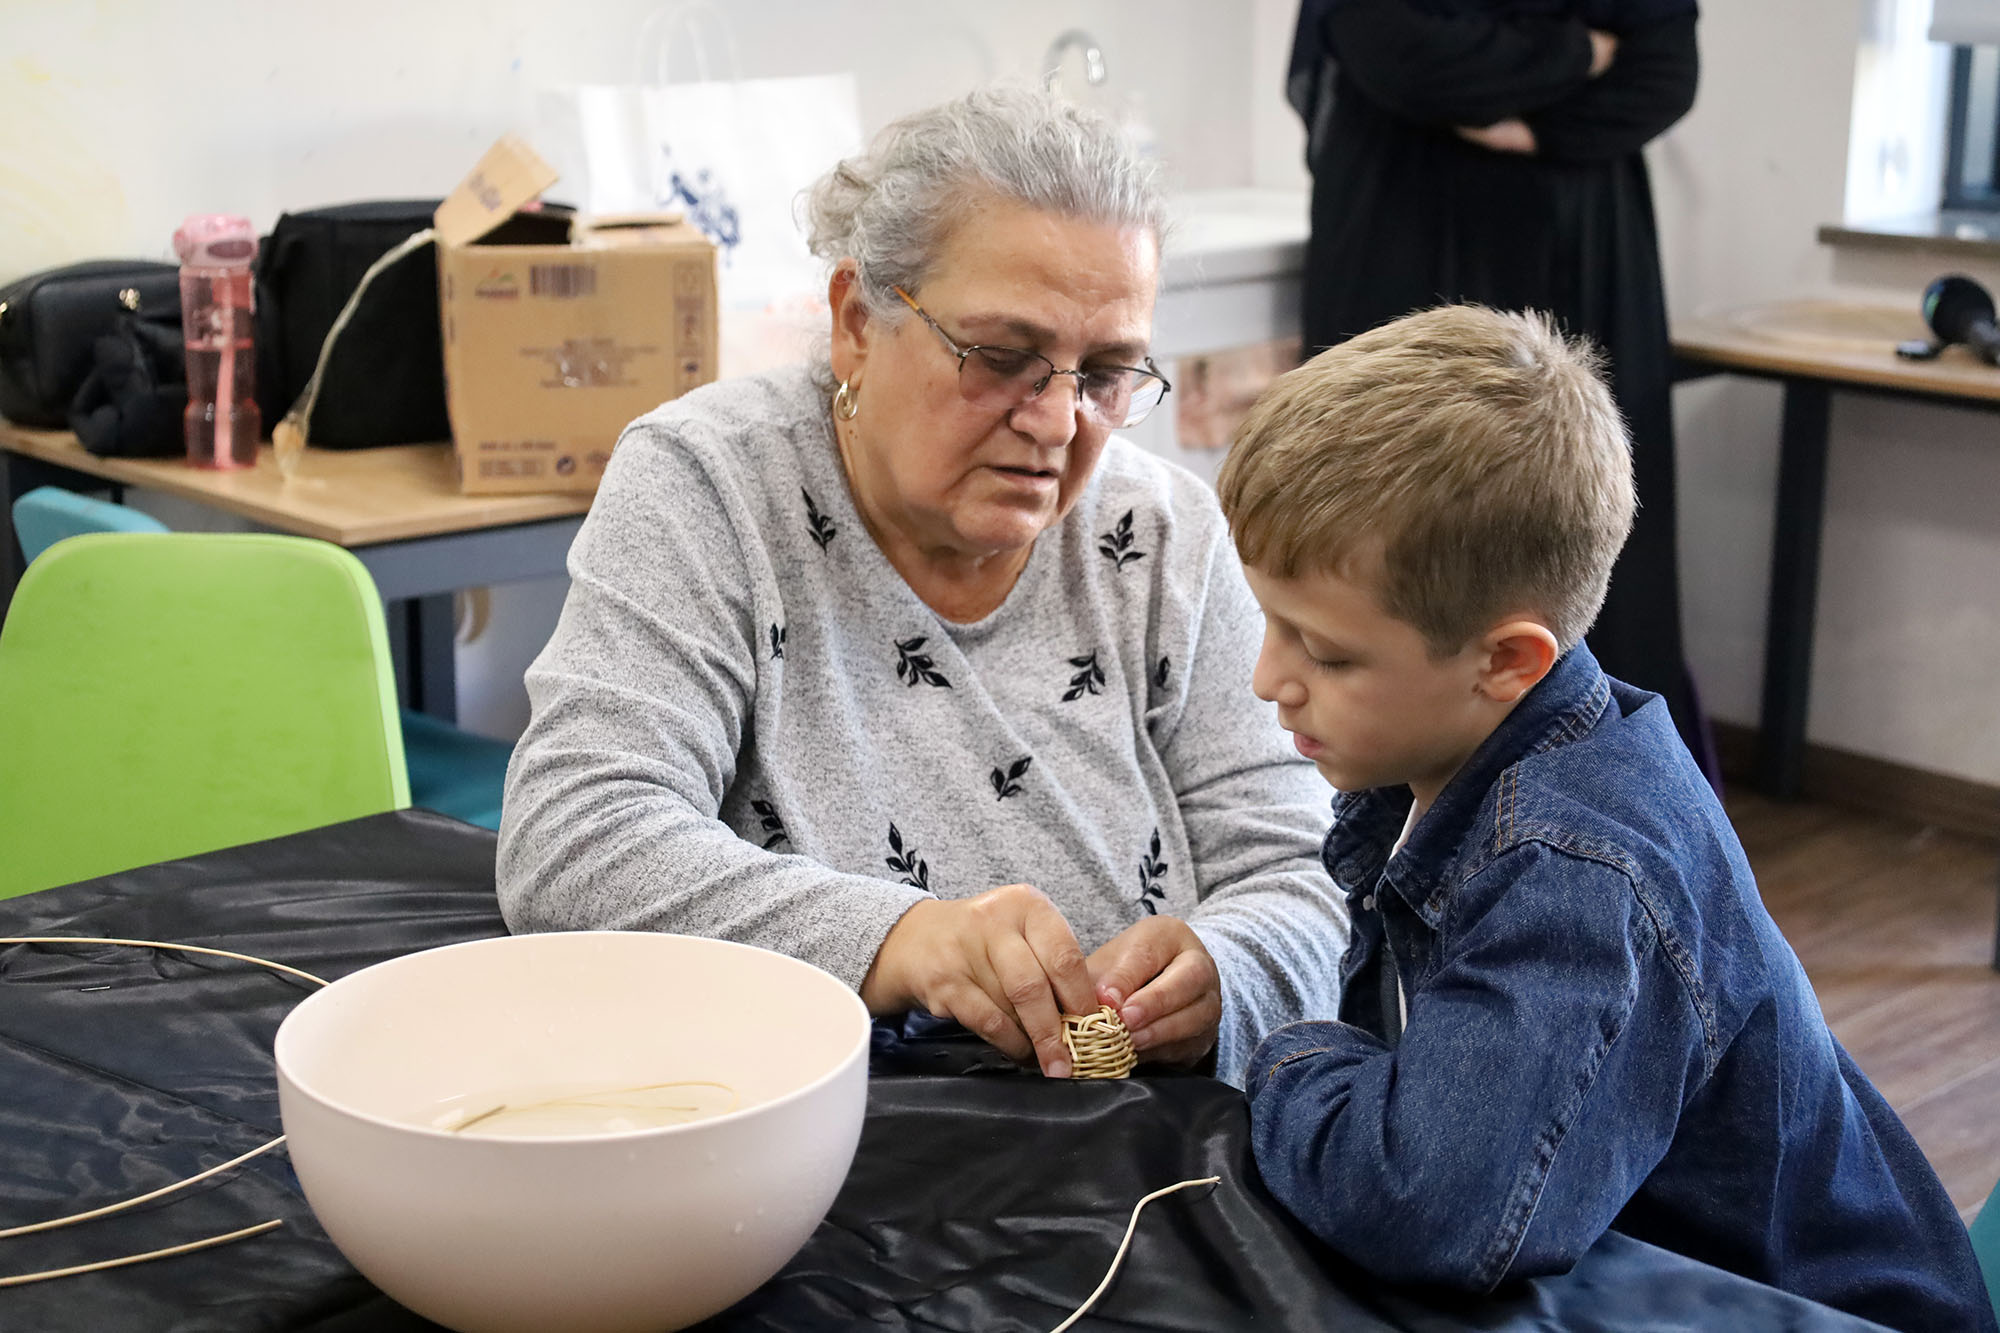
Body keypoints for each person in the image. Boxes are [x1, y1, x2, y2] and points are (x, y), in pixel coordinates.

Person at [496, 86, 1348, 1087]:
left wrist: (1228, 970)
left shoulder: (1159, 535)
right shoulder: (713, 487)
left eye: (1106, 371)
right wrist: (904, 940)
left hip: (1131, 1142)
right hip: (821, 1124)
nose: (1058, 421)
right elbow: (573, 840)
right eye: (1002, 357)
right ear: (857, 321)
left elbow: (1306, 877)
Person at [1215, 305, 1993, 1330]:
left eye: (1327, 652)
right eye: (1269, 622)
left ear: (1506, 660)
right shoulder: (1455, 757)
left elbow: (1430, 1211)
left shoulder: (1573, 868)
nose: (1268, 678)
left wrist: (1281, 1051)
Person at [1285, 0, 1713, 777]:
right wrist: (1579, 54)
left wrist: (1534, 127)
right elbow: (1399, 53)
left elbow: (1663, 74)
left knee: (1589, 514)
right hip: (1403, 235)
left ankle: (1600, 795)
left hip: (1581, 252)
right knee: (1385, 510)